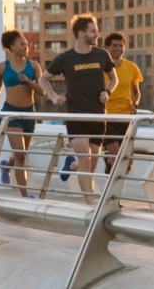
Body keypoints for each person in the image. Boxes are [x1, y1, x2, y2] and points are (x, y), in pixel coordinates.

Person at [39, 13, 118, 205]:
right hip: (76, 114)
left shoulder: (101, 54)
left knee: (90, 165)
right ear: (82, 33)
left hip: (98, 116)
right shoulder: (66, 58)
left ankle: (70, 164)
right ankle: (90, 205)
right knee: (86, 160)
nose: (97, 34)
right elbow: (43, 79)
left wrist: (107, 91)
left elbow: (114, 78)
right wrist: (54, 96)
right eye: (93, 31)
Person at [62, 32, 143, 175]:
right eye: (114, 46)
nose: (118, 49)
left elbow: (136, 93)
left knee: (127, 165)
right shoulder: (98, 67)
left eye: (121, 45)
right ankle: (113, 197)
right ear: (106, 47)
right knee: (118, 159)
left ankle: (74, 165)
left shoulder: (132, 67)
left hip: (126, 119)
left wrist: (134, 104)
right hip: (107, 117)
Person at [0, 29, 44, 198]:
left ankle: (6, 166)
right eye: (22, 44)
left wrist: (28, 81)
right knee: (20, 155)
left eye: (27, 45)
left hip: (29, 113)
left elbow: (42, 91)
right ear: (12, 47)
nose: (26, 47)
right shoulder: (1, 67)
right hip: (11, 113)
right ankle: (25, 194)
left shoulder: (34, 66)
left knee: (21, 154)